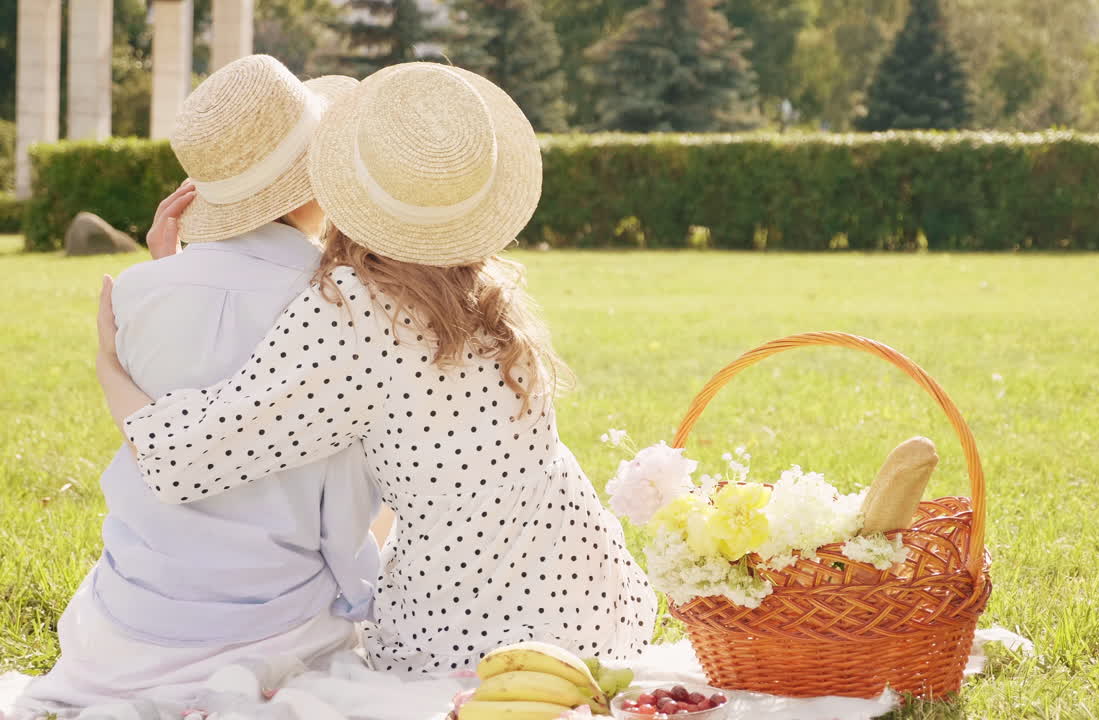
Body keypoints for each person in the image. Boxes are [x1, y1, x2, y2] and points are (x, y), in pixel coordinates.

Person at [94, 62, 657, 677]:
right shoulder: (486, 290)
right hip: (596, 598)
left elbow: (187, 459)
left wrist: (112, 359)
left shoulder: (352, 309)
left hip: (469, 636)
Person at [13, 57, 380, 718]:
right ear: (316, 181)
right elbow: (342, 509)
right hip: (277, 624)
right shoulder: (338, 307)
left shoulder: (137, 294)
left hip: (129, 629)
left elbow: (191, 378)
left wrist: (167, 273)